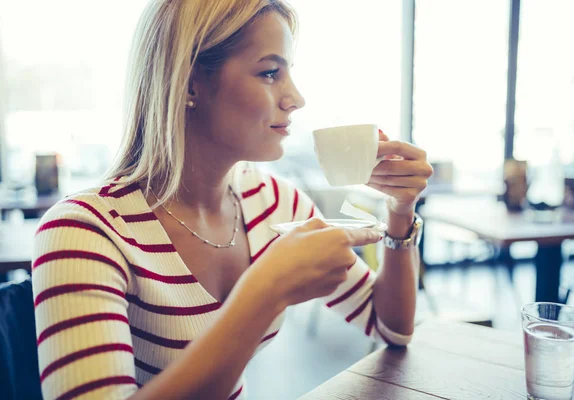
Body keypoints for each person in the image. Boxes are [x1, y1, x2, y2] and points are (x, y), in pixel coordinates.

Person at [31, 1, 433, 399]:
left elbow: (390, 326)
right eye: (270, 72)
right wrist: (265, 290)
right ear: (190, 84)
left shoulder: (275, 204)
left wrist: (399, 211)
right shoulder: (83, 231)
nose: (295, 98)